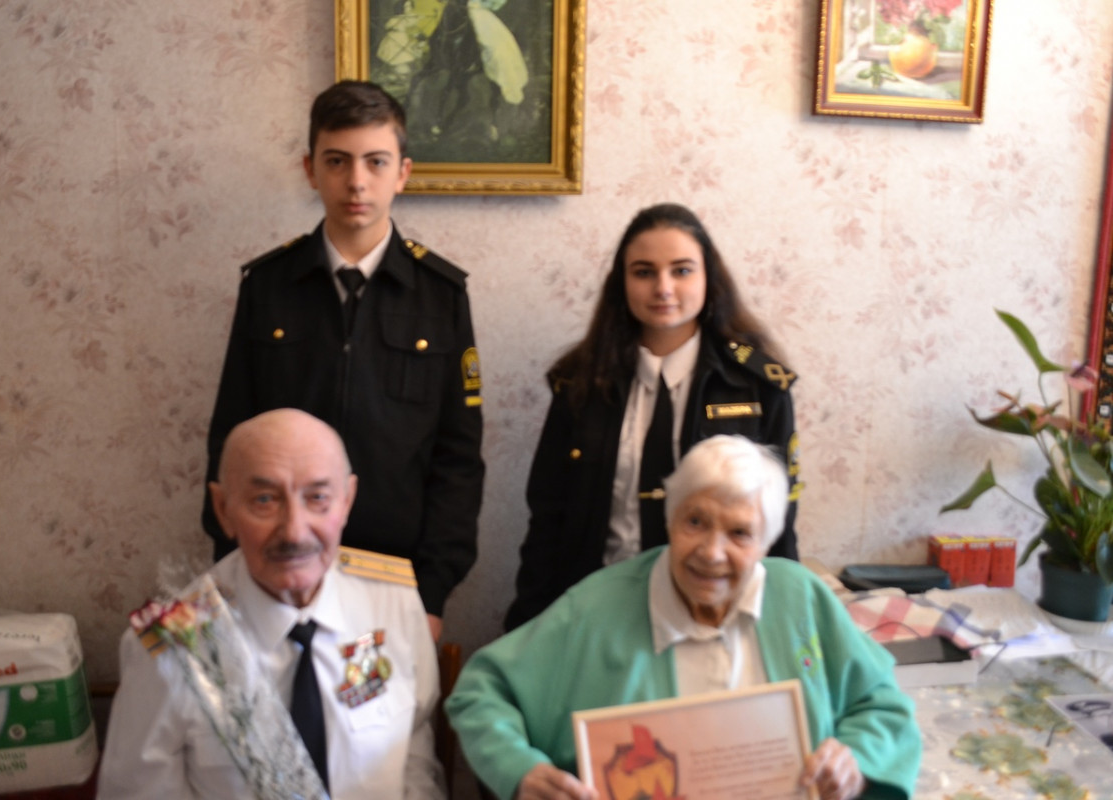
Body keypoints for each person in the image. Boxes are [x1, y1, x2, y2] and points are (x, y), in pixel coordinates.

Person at [448, 436, 920, 800]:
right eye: (695, 521)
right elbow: (480, 692)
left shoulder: (801, 597)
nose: (712, 552)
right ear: (670, 520)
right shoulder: (594, 607)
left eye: (739, 533)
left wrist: (855, 761)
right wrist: (521, 771)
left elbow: (881, 703)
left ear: (765, 543)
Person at [203, 80, 484, 641]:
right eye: (337, 161)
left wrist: (432, 592)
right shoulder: (268, 286)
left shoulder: (441, 296)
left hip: (396, 579)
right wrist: (232, 565)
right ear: (311, 170)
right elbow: (229, 439)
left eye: (376, 162)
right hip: (278, 567)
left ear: (403, 172)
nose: (357, 181)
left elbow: (457, 458)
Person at [100, 409, 445, 799]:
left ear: (347, 501)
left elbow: (415, 746)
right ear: (223, 509)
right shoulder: (175, 645)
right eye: (265, 500)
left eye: (318, 498)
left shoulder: (395, 603)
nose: (294, 532)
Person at [505, 203, 800, 630]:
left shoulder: (759, 388)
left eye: (681, 271)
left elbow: (779, 524)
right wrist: (529, 628)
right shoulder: (579, 384)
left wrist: (782, 629)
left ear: (708, 278)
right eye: (644, 272)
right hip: (598, 611)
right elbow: (547, 519)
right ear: (622, 283)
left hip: (715, 616)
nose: (663, 288)